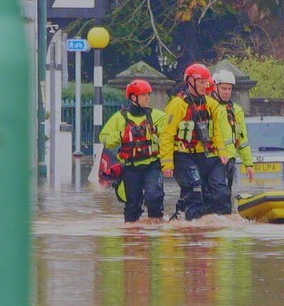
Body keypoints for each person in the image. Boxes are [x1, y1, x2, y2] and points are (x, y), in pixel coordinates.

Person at [161, 63, 232, 220]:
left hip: (207, 154)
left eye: (206, 82)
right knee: (195, 190)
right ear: (190, 81)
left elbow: (216, 132)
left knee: (221, 192)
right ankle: (190, 226)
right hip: (185, 155)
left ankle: (221, 225)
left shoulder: (211, 104)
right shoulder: (177, 105)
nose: (204, 85)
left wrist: (222, 152)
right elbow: (167, 135)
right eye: (201, 82)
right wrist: (167, 164)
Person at [99, 79, 168, 223]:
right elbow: (104, 138)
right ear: (133, 97)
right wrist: (121, 135)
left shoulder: (158, 116)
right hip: (130, 167)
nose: (148, 98)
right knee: (132, 205)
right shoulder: (119, 118)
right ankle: (132, 238)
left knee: (154, 196)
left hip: (152, 165)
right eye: (144, 95)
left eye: (148, 94)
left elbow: (169, 134)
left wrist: (156, 130)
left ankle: (156, 228)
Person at [212, 70, 254, 204]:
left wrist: (248, 163)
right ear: (215, 87)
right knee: (217, 193)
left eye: (229, 89)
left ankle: (225, 218)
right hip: (213, 158)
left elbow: (242, 139)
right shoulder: (210, 107)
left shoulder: (237, 110)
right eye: (224, 88)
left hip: (230, 159)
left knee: (226, 192)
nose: (227, 92)